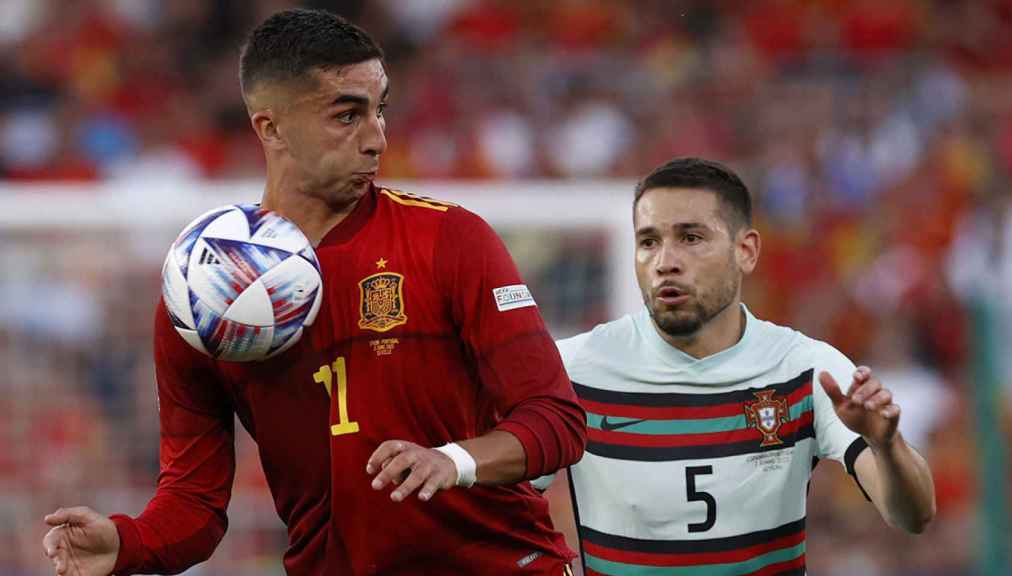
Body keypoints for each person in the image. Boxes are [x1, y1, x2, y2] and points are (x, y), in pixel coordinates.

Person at [42, 9, 586, 576]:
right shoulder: (205, 298)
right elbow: (195, 505)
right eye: (347, 114)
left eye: (380, 110)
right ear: (270, 128)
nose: (376, 138)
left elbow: (556, 420)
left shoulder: (449, 240)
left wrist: (453, 461)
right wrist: (126, 543)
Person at [535, 157, 936, 574]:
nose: (665, 261)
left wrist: (887, 447)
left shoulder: (805, 369)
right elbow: (497, 504)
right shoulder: (573, 371)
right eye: (649, 241)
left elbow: (913, 516)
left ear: (745, 251)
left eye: (690, 238)